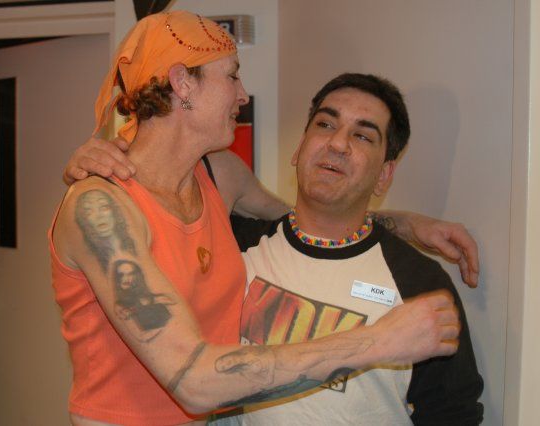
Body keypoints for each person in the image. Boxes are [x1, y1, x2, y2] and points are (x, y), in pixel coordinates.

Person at [51, 11, 460, 426]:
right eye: (232, 76)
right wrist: (378, 341)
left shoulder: (218, 173)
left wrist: (403, 224)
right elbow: (194, 383)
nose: (242, 95)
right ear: (183, 83)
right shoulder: (98, 208)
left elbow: (304, 222)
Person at [207, 73, 483, 425]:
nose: (337, 143)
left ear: (384, 175)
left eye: (362, 135)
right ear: (299, 148)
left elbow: (453, 415)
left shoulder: (419, 283)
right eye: (325, 124)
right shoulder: (235, 245)